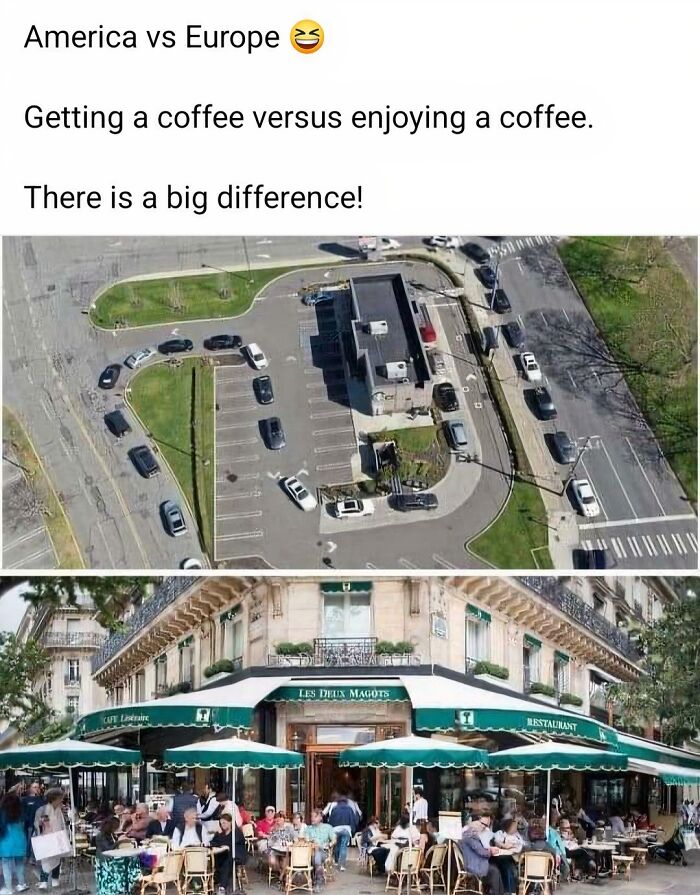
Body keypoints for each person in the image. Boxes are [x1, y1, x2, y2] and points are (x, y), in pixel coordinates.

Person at [459, 817, 504, 895]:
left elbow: (479, 849)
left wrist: (488, 850)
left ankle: (498, 893)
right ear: (475, 829)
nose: (482, 829)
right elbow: (481, 852)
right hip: (473, 865)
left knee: (495, 868)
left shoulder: (467, 835)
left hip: (472, 862)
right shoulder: (471, 837)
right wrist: (491, 852)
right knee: (495, 871)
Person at [34, 788, 67, 890]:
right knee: (46, 860)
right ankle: (43, 881)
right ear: (54, 798)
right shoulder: (44, 810)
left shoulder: (59, 810)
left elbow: (62, 824)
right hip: (46, 838)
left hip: (58, 837)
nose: (62, 800)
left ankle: (55, 879)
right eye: (60, 798)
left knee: (57, 858)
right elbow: (42, 825)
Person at [0, 790, 29, 894]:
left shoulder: (2, 814)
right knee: (19, 863)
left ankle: (8, 888)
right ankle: (21, 884)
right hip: (20, 841)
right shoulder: (21, 813)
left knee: (6, 865)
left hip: (5, 842)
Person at [210, 813, 247, 893]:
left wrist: (225, 847)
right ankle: (213, 880)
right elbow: (213, 842)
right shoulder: (221, 834)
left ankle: (222, 887)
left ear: (230, 822)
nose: (222, 825)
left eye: (224, 823)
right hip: (223, 855)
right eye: (221, 823)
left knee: (227, 861)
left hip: (236, 855)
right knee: (213, 858)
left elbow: (234, 845)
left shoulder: (236, 833)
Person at [305, 808, 336, 887]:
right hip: (310, 851)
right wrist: (310, 842)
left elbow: (334, 840)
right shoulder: (309, 828)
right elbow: (306, 839)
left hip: (323, 851)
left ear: (320, 818)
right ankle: (316, 878)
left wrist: (329, 845)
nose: (312, 819)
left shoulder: (328, 827)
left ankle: (318, 881)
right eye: (312, 817)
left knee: (317, 854)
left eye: (315, 816)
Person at [493, 817, 524, 894]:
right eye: (513, 826)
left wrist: (514, 845)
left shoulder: (517, 835)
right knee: (508, 868)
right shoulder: (500, 833)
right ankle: (510, 891)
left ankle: (510, 891)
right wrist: (504, 845)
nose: (515, 828)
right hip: (501, 856)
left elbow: (522, 844)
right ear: (508, 826)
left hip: (514, 857)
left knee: (511, 869)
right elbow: (496, 842)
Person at [385, 811, 421, 875]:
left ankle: (394, 870)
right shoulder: (399, 828)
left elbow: (417, 838)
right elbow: (393, 836)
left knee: (394, 851)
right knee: (393, 851)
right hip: (400, 847)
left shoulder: (412, 828)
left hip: (409, 849)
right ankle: (393, 870)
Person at [327, 795, 357, 871]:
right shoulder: (349, 809)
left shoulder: (335, 809)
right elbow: (353, 820)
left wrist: (330, 830)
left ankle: (337, 861)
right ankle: (342, 865)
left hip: (335, 829)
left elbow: (331, 820)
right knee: (343, 847)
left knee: (337, 845)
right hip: (346, 829)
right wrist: (353, 830)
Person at [21, 782, 45, 861]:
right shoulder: (25, 800)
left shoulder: (41, 799)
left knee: (37, 841)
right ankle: (28, 856)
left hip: (39, 824)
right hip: (29, 824)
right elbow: (23, 812)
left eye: (38, 787)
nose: (37, 789)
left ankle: (34, 856)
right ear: (30, 788)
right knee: (29, 840)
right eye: (34, 787)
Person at [267, 812, 294, 878]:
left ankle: (282, 876)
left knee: (286, 856)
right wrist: (273, 832)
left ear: (283, 819)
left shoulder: (289, 827)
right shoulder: (274, 828)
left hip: (286, 848)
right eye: (276, 820)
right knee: (272, 861)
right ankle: (281, 871)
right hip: (276, 848)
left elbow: (293, 838)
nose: (278, 821)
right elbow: (270, 841)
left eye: (280, 819)